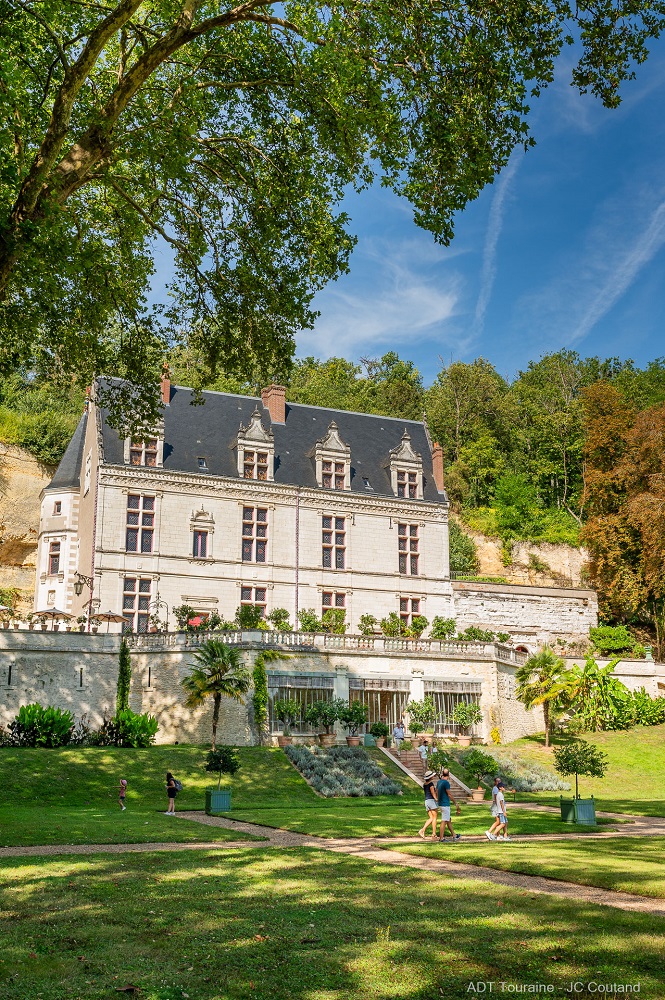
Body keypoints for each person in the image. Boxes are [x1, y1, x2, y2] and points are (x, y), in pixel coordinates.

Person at [437, 767, 461, 841]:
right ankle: (441, 838)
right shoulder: (446, 783)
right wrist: (455, 803)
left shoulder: (439, 782)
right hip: (445, 804)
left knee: (448, 819)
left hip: (440, 803)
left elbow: (436, 791)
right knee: (444, 820)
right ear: (449, 774)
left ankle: (454, 835)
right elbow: (449, 794)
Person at [418, 770, 439, 840]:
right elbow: (432, 793)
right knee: (435, 818)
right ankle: (433, 834)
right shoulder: (431, 784)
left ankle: (422, 830)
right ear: (430, 777)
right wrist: (436, 799)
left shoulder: (425, 784)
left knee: (431, 818)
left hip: (426, 801)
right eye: (433, 775)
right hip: (431, 800)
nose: (434, 776)